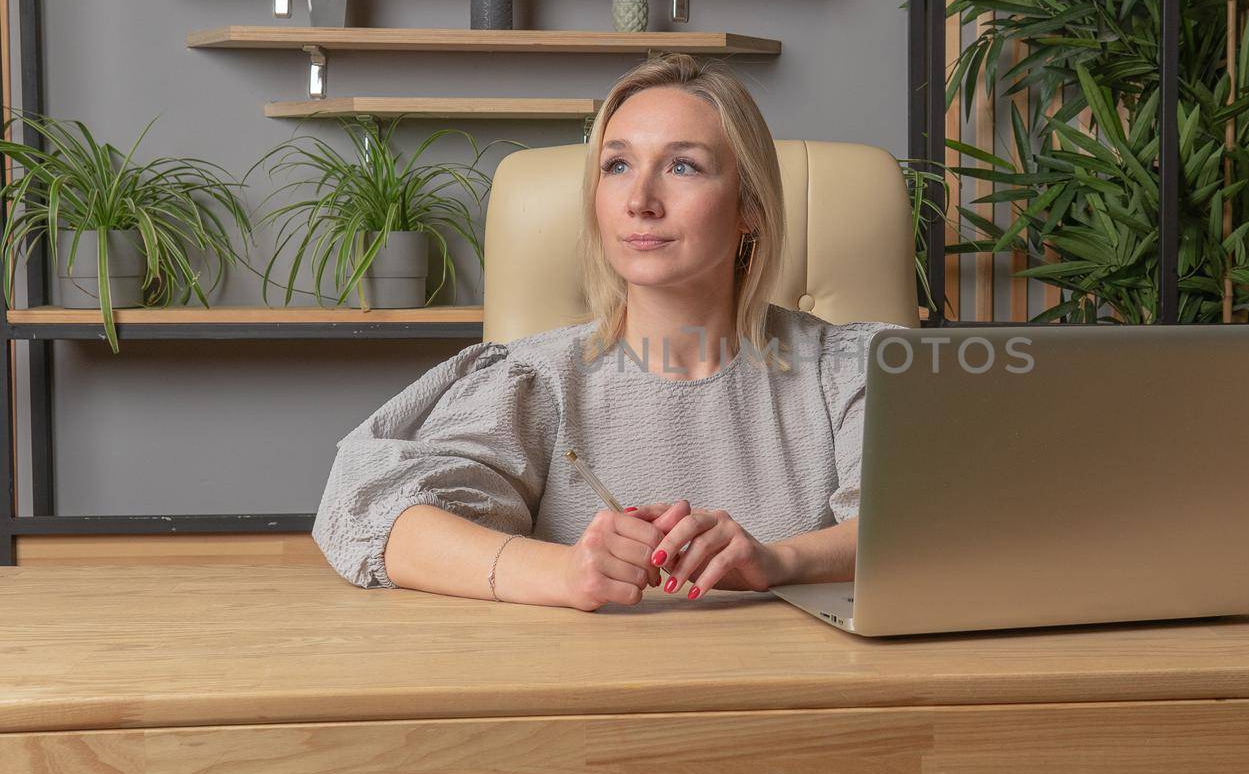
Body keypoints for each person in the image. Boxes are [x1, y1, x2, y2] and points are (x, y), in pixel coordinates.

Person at [310, 53, 906, 610]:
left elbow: (928, 525)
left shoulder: (851, 369)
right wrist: (563, 573)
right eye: (617, 165)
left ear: (750, 205)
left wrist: (778, 560)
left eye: (683, 166)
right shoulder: (533, 379)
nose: (640, 200)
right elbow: (371, 510)